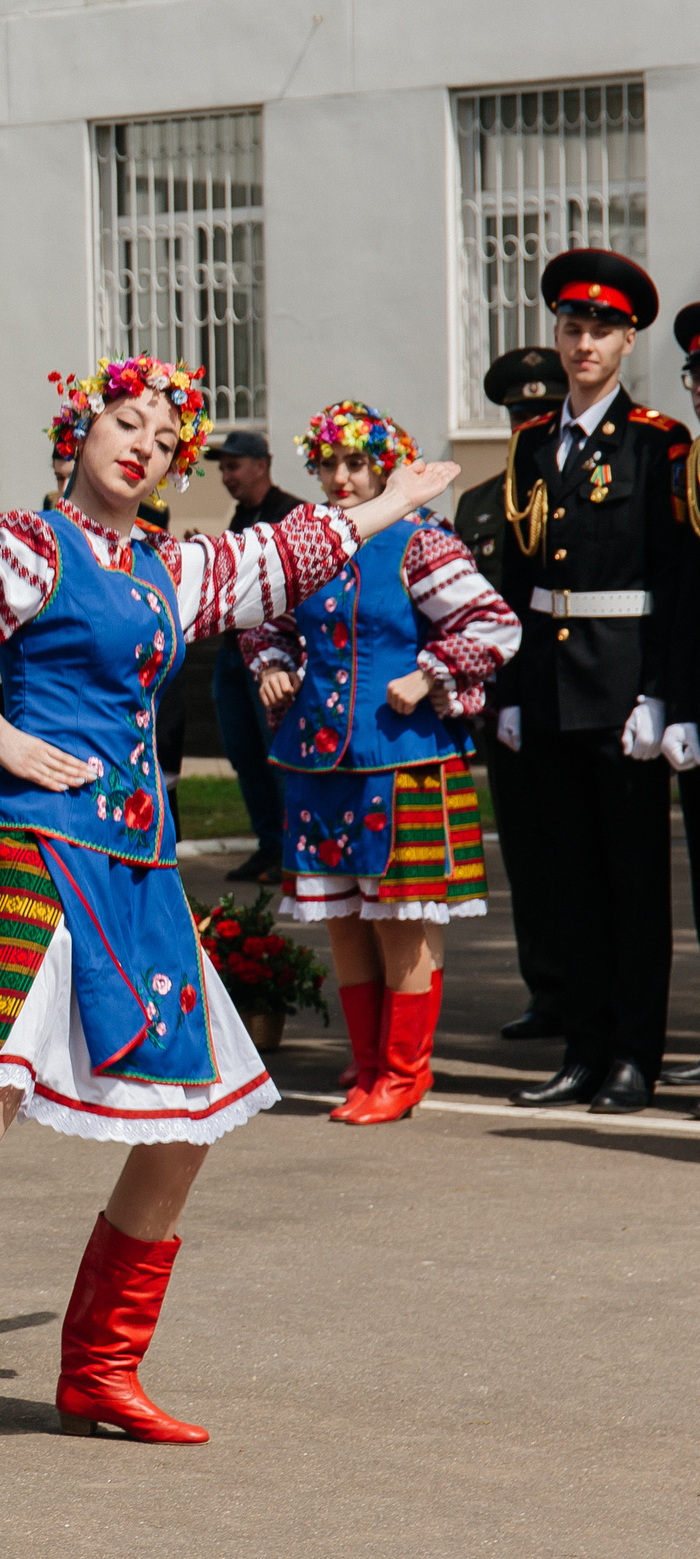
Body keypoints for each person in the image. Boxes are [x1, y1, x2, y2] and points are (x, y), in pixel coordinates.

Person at [0, 355, 454, 1454]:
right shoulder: (28, 546)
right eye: (126, 421)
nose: (144, 445)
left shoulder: (170, 569)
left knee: (192, 1113)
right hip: (31, 841)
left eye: (165, 438)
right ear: (77, 432)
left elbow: (283, 554)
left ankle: (99, 1370)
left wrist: (395, 502)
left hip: (136, 860)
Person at [244, 402, 518, 1123]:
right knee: (343, 918)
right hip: (318, 759)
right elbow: (264, 620)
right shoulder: (309, 541)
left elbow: (494, 624)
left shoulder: (418, 541)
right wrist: (274, 665)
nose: (340, 476)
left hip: (401, 758)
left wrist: (429, 675)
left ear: (387, 466)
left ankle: (402, 1072)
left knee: (399, 919)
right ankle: (368, 1063)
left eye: (357, 462)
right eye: (328, 462)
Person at [498, 250, 697, 1115]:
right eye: (573, 328)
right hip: (548, 685)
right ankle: (581, 1049)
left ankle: (632, 1056)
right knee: (566, 881)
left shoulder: (657, 442)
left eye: (601, 331)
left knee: (632, 883)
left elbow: (674, 577)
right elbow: (516, 577)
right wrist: (510, 686)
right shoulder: (531, 443)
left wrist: (660, 693)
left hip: (621, 692)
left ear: (627, 343)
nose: (584, 344)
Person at [455, 348, 568, 1042]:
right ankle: (547, 990)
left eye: (543, 413)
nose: (530, 425)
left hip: (577, 697)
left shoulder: (577, 493)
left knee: (583, 855)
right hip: (505, 708)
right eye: (520, 414)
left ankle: (595, 992)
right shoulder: (479, 503)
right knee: (527, 854)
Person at [196, 431, 303, 883]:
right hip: (233, 652)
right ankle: (270, 845)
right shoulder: (241, 517)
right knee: (244, 755)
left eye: (233, 466)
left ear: (262, 465)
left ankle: (293, 852)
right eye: (222, 468)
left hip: (274, 659)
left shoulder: (291, 514)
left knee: (277, 755)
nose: (226, 476)